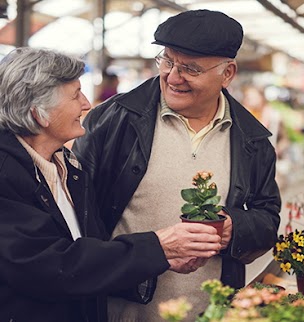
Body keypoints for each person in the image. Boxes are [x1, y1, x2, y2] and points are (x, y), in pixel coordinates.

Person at [73, 9, 281, 321]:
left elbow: (268, 217)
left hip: (209, 311)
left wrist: (234, 229)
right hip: (120, 308)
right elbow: (77, 211)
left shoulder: (252, 141)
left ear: (227, 73)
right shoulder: (112, 121)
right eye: (167, 61)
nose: (172, 77)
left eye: (190, 69)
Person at [0, 47, 222, 322]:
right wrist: (158, 247)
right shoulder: (6, 176)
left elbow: (88, 254)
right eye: (75, 95)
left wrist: (161, 260)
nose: (86, 104)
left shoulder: (69, 167)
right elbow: (50, 266)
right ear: (39, 113)